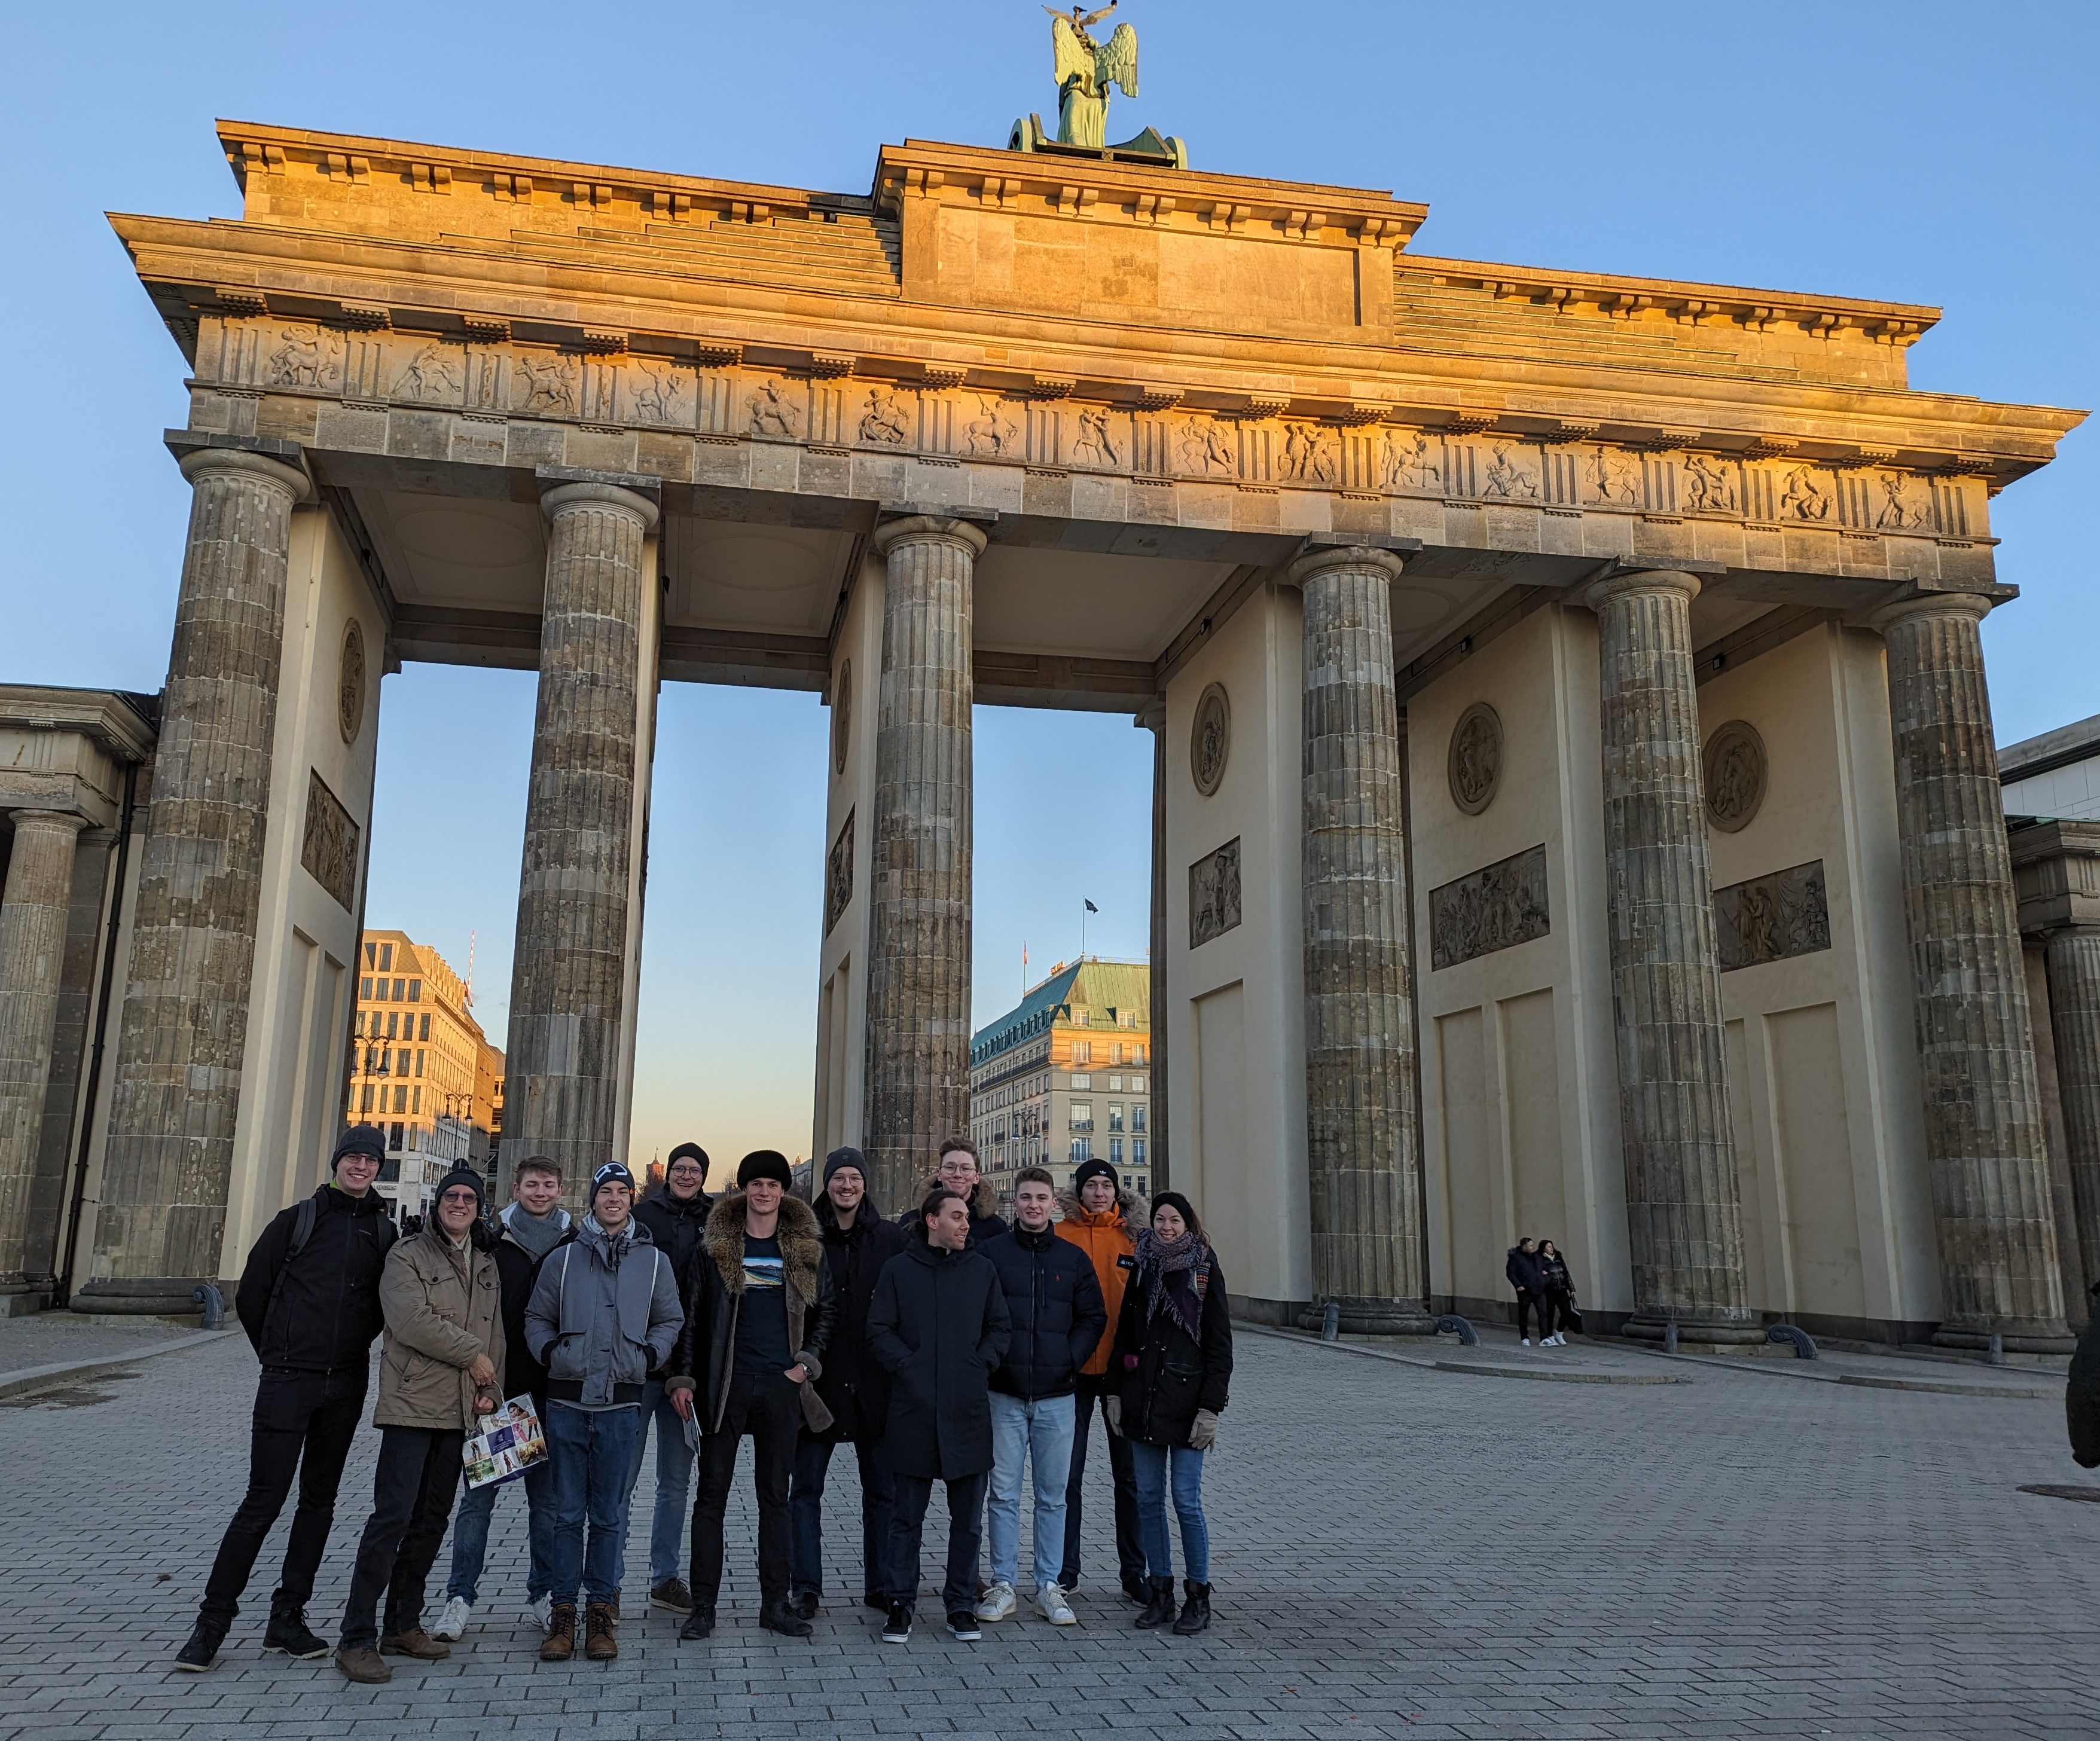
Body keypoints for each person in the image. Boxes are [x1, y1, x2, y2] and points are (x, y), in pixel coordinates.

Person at [176, 1125, 397, 1672]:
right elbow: (253, 1293)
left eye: (371, 1161)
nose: (362, 1168)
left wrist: (351, 1349)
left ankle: (288, 1618)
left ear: (379, 1169)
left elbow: (384, 1304)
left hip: (344, 1384)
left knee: (318, 1505)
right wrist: (277, 1355)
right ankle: (211, 1625)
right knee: (262, 1502)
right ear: (336, 1163)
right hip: (288, 1380)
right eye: (354, 1158)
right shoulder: (296, 1220)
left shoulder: (383, 1231)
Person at [334, 1167, 505, 1684]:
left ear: (479, 1206)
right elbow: (410, 1323)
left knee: (433, 1519)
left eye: (469, 1197)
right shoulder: (408, 1255)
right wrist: (473, 1357)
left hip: (460, 1412)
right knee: (392, 1518)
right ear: (437, 1203)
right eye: (451, 1195)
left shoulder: (487, 1263)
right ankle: (356, 1637)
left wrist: (488, 1391)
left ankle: (403, 1623)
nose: (459, 1204)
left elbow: (494, 1333)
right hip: (413, 1405)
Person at [667, 1150, 837, 1642]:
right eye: (755, 1184)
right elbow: (691, 1317)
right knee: (711, 1497)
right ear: (743, 1189)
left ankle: (774, 1604)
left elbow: (826, 1311)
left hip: (781, 1387)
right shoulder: (715, 1246)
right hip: (725, 1385)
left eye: (773, 1184)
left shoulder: (804, 1248)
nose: (764, 1192)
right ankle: (703, 1606)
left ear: (784, 1192)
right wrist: (684, 1378)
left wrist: (805, 1363)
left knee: (775, 1499)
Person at [525, 1160, 684, 1664]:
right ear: (591, 1200)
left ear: (632, 1200)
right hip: (567, 1402)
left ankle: (600, 1613)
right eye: (605, 1192)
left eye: (622, 1191)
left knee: (611, 1516)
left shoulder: (654, 1261)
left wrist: (649, 1358)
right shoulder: (564, 1259)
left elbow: (669, 1318)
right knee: (567, 1515)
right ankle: (562, 1613)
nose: (613, 1199)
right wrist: (553, 1355)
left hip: (621, 1404)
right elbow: (537, 1316)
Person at [429, 1156, 572, 1643]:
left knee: (547, 1505)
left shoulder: (573, 1242)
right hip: (502, 1394)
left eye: (548, 1185)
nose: (539, 1192)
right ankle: (459, 1597)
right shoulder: (490, 1241)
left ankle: (545, 1594)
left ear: (560, 1190)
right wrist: (481, 1383)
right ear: (516, 1188)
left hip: (554, 1395)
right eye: (531, 1184)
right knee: (478, 1502)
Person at [867, 1186, 1012, 1645]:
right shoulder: (898, 1271)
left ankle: (961, 1605)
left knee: (967, 1520)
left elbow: (1000, 1328)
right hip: (913, 1412)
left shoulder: (982, 1270)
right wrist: (907, 1367)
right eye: (956, 1216)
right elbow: (879, 1330)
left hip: (966, 1413)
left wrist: (979, 1364)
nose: (965, 1224)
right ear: (932, 1221)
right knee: (905, 1519)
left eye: (967, 1217)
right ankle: (900, 1604)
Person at [976, 1167, 1105, 1627]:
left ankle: (1050, 1584)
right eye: (1026, 1197)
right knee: (1004, 1494)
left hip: (1057, 1395)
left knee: (1053, 1496)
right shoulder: (990, 1254)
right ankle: (1003, 1583)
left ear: (1054, 1204)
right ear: (1015, 1203)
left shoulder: (1072, 1259)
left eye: (1041, 1198)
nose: (1033, 1205)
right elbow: (977, 1314)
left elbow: (1094, 1316)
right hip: (1004, 1393)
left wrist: (1067, 1358)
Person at [788, 1146, 908, 1620]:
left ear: (864, 1184)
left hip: (876, 1382)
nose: (846, 1186)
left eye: (854, 1178)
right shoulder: (801, 1237)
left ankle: (880, 1584)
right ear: (827, 1184)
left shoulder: (891, 1239)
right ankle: (806, 1588)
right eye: (838, 1178)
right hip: (817, 1383)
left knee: (882, 1491)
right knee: (806, 1491)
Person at [1110, 1190, 1232, 1636]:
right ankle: (1160, 1592)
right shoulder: (1142, 1263)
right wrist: (1114, 1392)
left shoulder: (1203, 1266)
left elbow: (1220, 1344)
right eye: (1160, 1219)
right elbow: (1125, 1331)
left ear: (1188, 1224)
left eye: (1174, 1220)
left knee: (1185, 1500)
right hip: (1143, 1399)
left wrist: (1211, 1409)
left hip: (1186, 1402)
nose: (1165, 1227)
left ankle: (1197, 1595)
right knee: (1147, 1500)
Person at [1056, 1156, 1148, 1605]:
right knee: (1067, 1478)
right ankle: (1065, 1570)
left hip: (1121, 1375)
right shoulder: (1060, 1235)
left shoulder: (1135, 1239)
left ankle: (1135, 1572)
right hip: (1071, 1372)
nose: (1099, 1192)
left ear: (1117, 1193)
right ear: (1079, 1191)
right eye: (1091, 1185)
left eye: (1106, 1186)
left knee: (1129, 1479)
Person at [626, 1141, 712, 1615]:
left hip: (687, 1372)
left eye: (694, 1169)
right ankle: (609, 1580)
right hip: (641, 1368)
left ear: (703, 1174)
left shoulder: (717, 1220)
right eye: (679, 1168)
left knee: (675, 1482)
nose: (685, 1175)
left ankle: (665, 1578)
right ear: (667, 1173)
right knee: (623, 1478)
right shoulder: (643, 1216)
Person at [898, 1137, 1009, 1248]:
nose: (957, 1174)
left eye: (965, 1169)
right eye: (950, 1167)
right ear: (940, 1175)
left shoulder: (995, 1227)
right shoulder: (911, 1222)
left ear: (976, 1177)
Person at [1506, 1236, 1547, 1347]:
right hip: (1525, 1291)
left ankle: (1544, 1338)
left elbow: (1545, 1269)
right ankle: (1525, 1338)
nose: (1533, 1247)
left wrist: (1544, 1279)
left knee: (1543, 1314)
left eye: (1533, 1245)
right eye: (1531, 1245)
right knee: (1524, 1315)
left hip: (1539, 1290)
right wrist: (1518, 1285)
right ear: (1524, 1247)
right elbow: (1511, 1273)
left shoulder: (1537, 1257)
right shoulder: (1515, 1258)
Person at [1537, 1239, 1577, 1347]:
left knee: (1567, 1311)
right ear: (1543, 1248)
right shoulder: (1541, 1259)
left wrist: (1571, 1288)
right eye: (1549, 1246)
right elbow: (1539, 1274)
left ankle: (1559, 1332)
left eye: (1552, 1246)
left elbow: (1566, 1273)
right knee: (1550, 1313)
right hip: (1549, 1290)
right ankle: (1549, 1335)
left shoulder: (1558, 1257)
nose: (1551, 1248)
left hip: (1562, 1289)